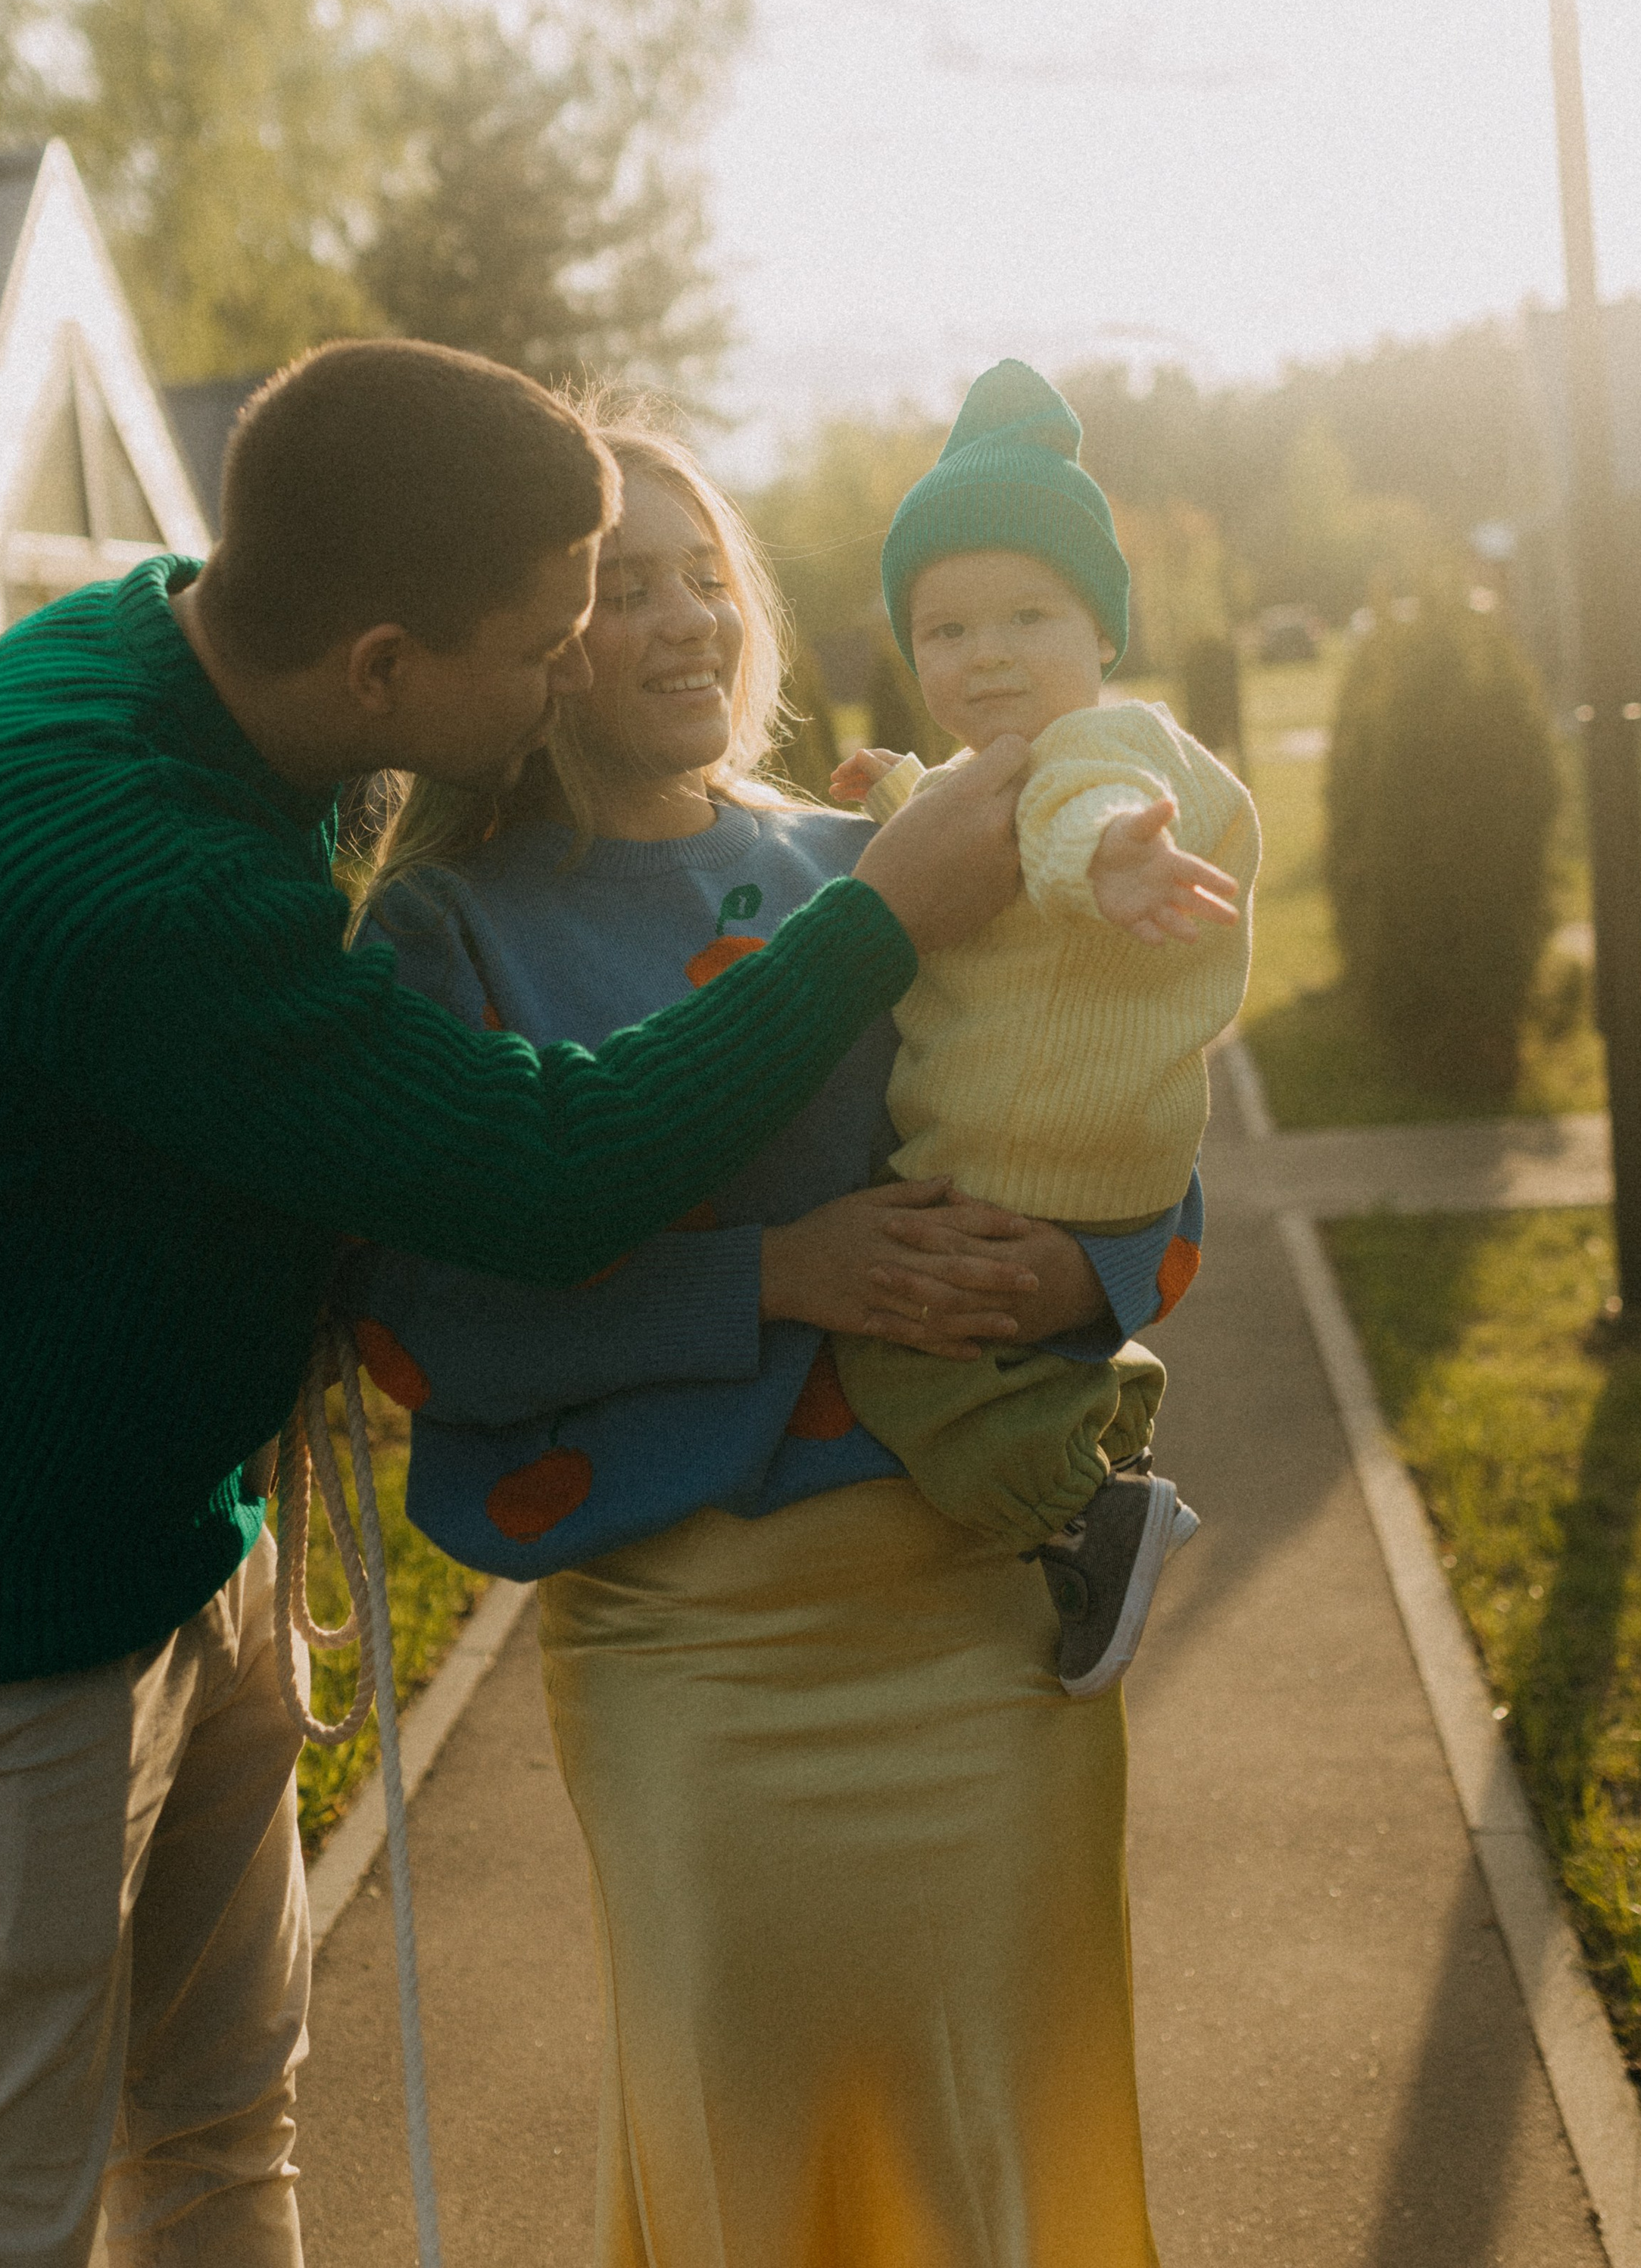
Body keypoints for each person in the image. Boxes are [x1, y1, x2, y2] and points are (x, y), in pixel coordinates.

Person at [0, 339, 1036, 2268]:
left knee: (215, 2123)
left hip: (175, 1543)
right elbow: (541, 1170)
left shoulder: (173, 657)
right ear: (377, 671)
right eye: (538, 647)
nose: (570, 671)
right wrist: (874, 919)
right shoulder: (130, 873)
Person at [351, 410, 1172, 2268]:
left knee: (1004, 2132)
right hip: (688, 1656)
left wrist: (1071, 1281)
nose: (682, 622)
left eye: (703, 576)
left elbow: (1117, 1113)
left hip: (975, 1619)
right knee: (753, 2134)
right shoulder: (444, 936)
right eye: (618, 591)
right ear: (534, 637)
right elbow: (423, 1321)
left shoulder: (897, 846)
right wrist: (774, 1278)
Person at [829, 359, 1259, 1697]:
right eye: (946, 633)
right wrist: (896, 788)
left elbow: (1068, 814)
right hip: (1099, 1156)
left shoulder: (1105, 755)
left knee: (897, 1360)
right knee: (997, 1354)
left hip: (1022, 1147)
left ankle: (1086, 1514)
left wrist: (1108, 863)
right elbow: (984, 806)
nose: (988, 654)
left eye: (1029, 614)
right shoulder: (1017, 762)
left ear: (1101, 630)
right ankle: (1097, 1429)